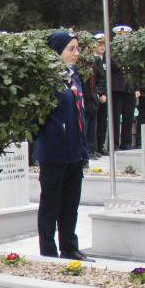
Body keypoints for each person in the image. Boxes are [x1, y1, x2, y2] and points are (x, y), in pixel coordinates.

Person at [35, 32, 92, 261]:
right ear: (57, 52)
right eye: (71, 49)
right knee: (51, 205)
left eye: (77, 48)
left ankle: (69, 246)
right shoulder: (47, 81)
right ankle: (48, 251)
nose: (76, 53)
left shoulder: (74, 78)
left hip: (75, 151)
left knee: (71, 204)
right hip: (54, 152)